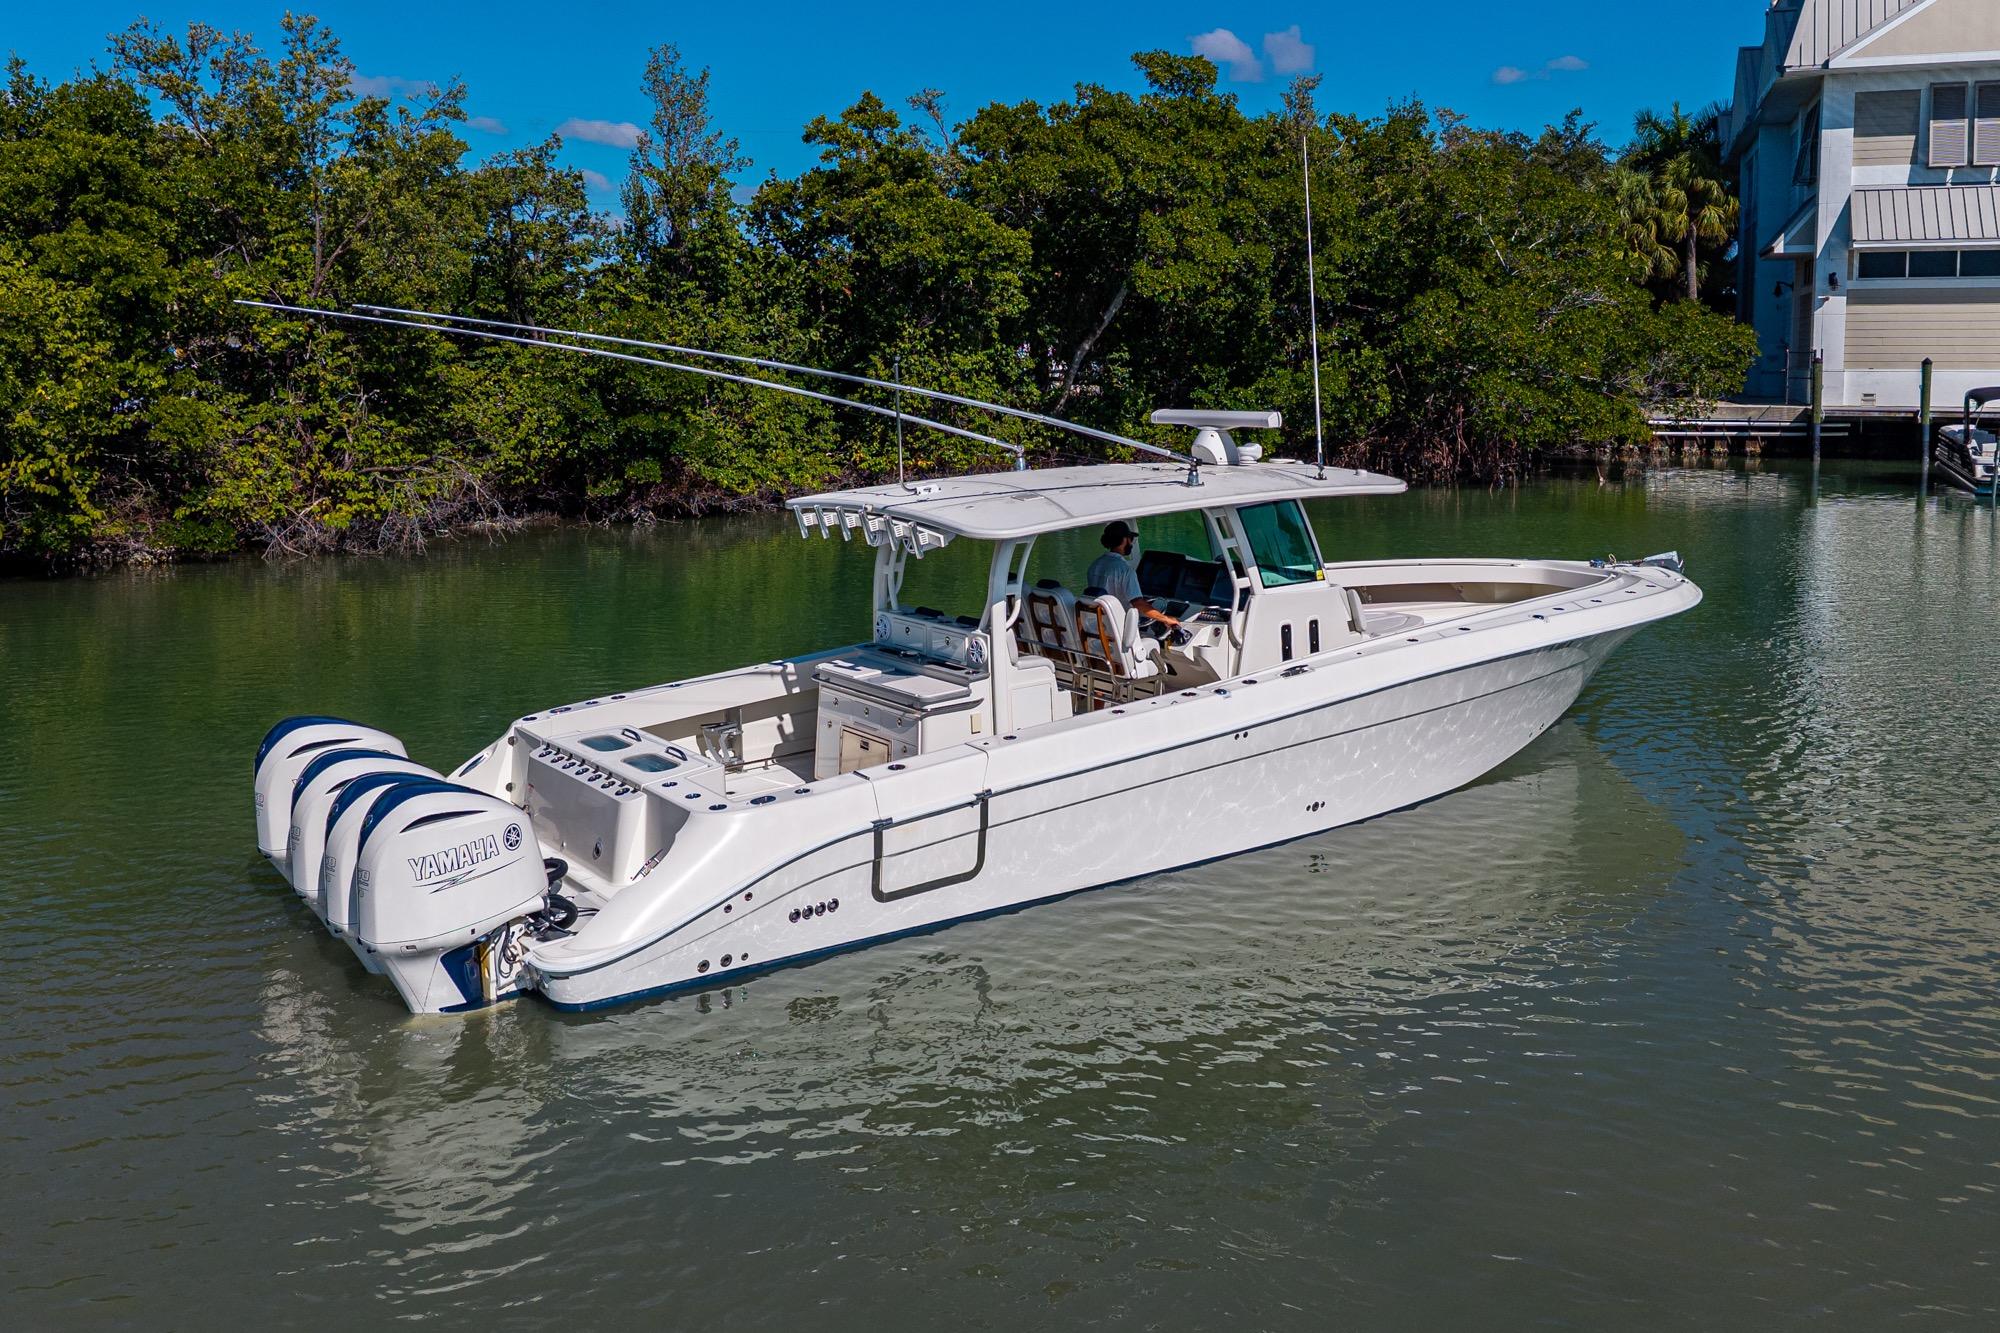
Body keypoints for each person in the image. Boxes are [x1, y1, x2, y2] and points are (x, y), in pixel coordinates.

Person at [1085, 521, 1179, 633]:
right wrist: (1166, 619)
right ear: (1125, 540)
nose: (1132, 543)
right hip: (1120, 629)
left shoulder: (1095, 565)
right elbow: (1138, 603)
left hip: (1101, 626)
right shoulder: (1125, 571)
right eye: (1131, 539)